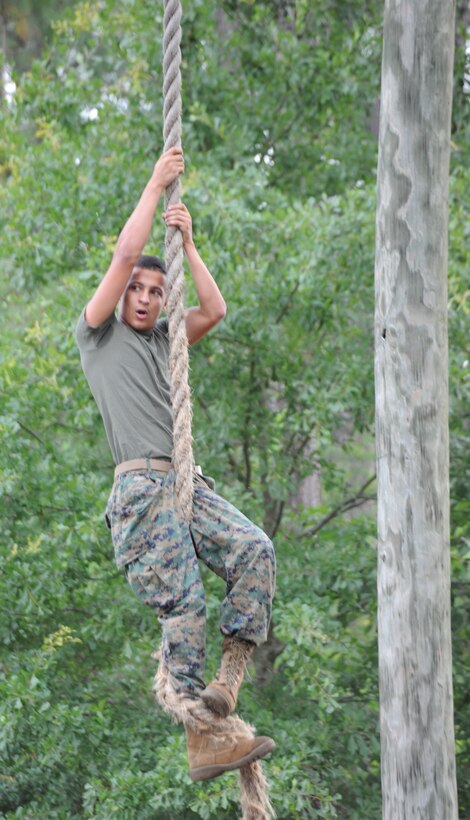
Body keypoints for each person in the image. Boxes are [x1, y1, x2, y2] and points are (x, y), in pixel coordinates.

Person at [75, 148, 276, 781]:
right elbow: (122, 254)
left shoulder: (165, 339)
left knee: (255, 549)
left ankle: (226, 687)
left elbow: (214, 311)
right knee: (185, 605)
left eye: (155, 292)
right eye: (137, 287)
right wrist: (156, 183)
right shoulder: (98, 335)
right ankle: (199, 734)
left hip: (185, 483)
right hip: (140, 489)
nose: (143, 296)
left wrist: (188, 248)